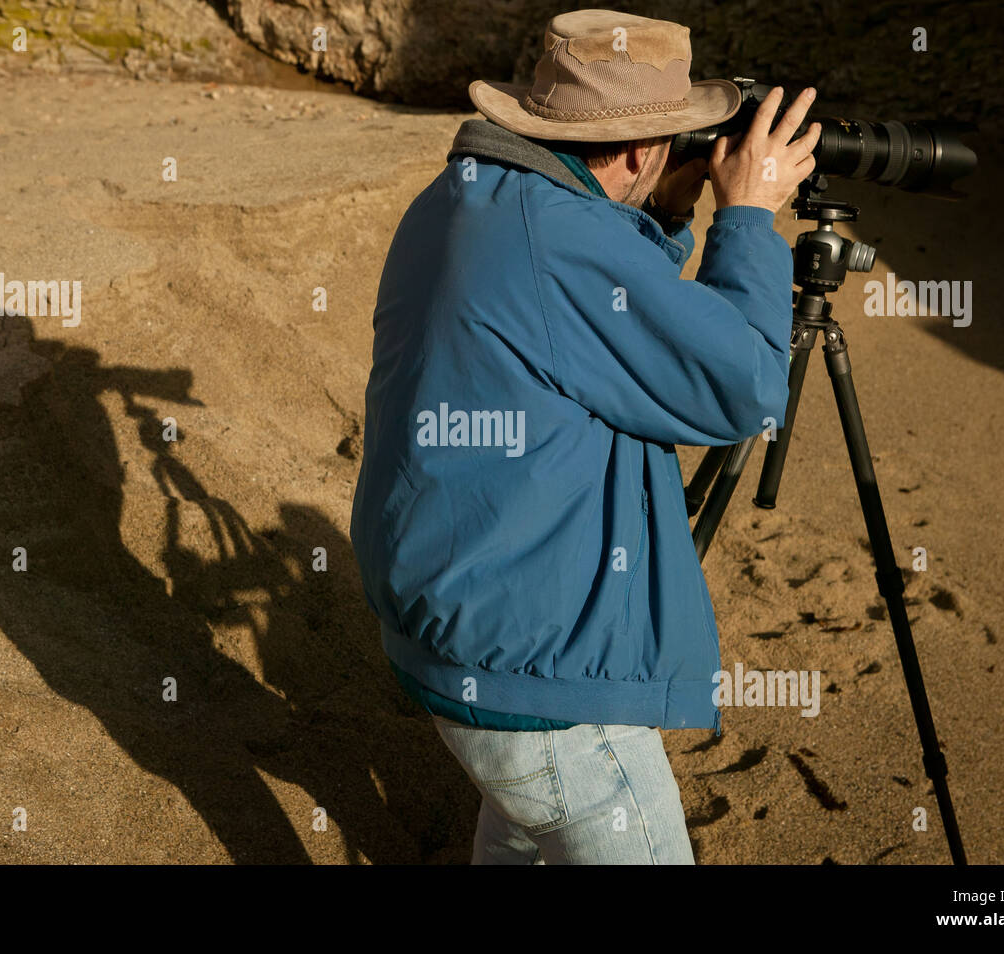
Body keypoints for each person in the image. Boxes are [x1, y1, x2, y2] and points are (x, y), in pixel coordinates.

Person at [350, 8, 820, 864]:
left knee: (525, 829)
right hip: (542, 687)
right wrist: (747, 219)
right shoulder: (560, 239)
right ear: (638, 151)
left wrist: (666, 214)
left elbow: (591, 327)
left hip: (458, 639)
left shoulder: (468, 195)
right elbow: (748, 387)